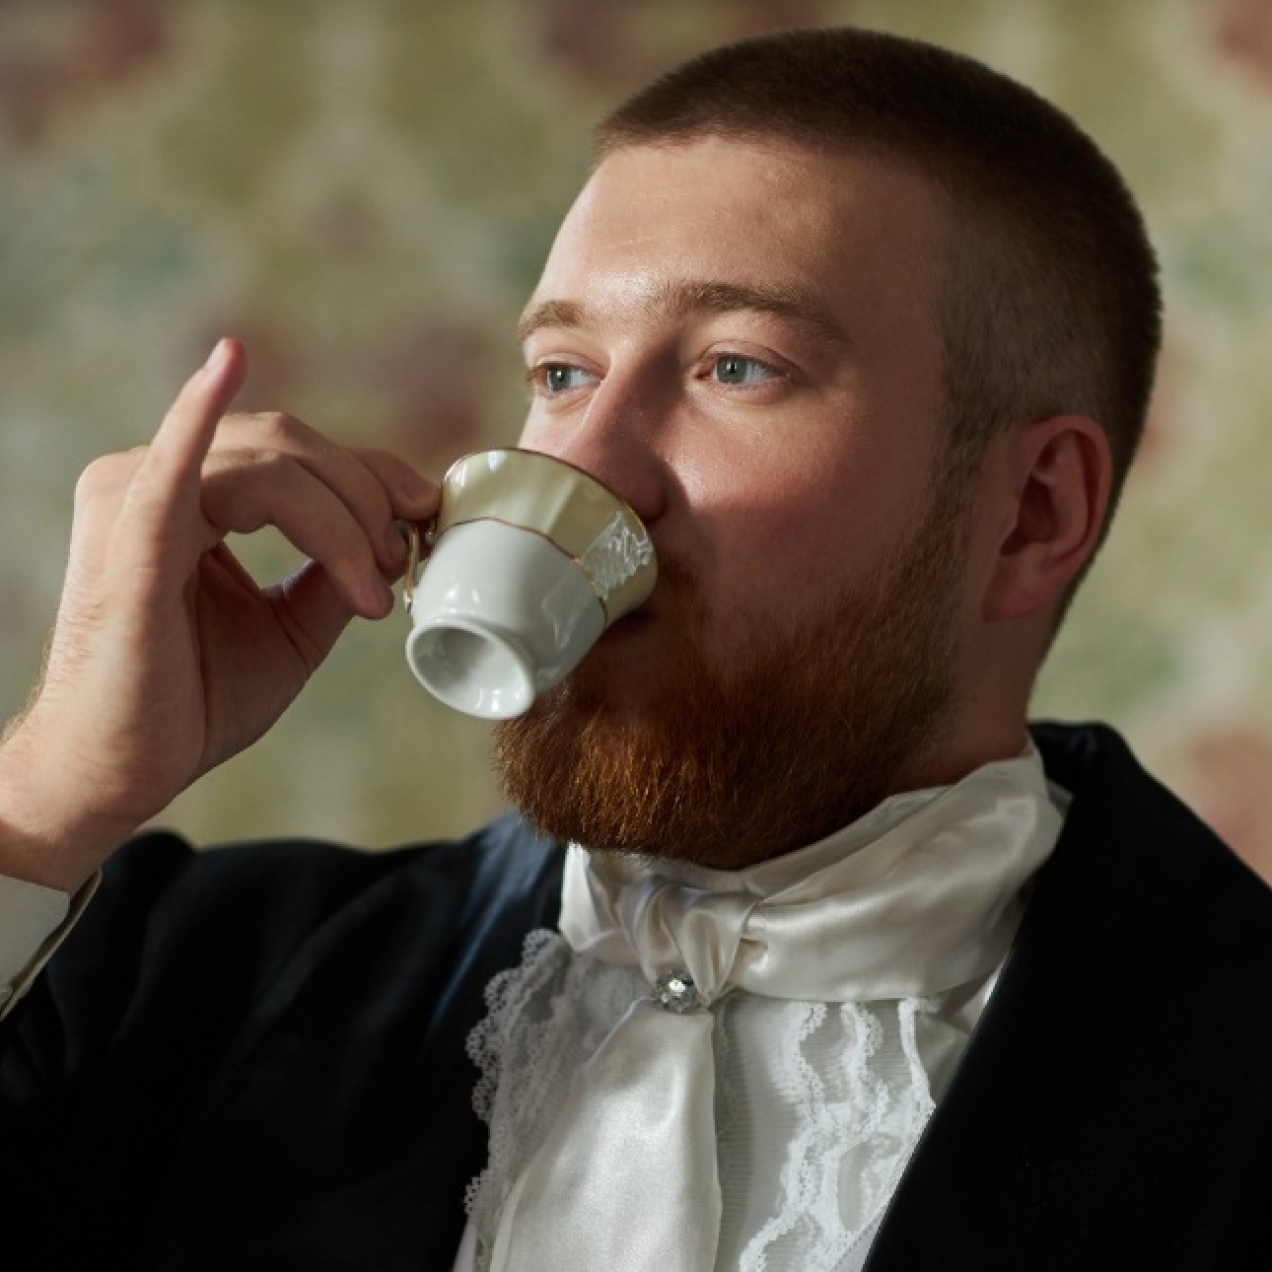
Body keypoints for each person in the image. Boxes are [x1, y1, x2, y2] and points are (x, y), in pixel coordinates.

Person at [1, 24, 1270, 1272]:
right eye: (560, 372)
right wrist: (49, 795)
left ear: (1033, 513)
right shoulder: (177, 981)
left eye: (737, 365)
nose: (585, 465)